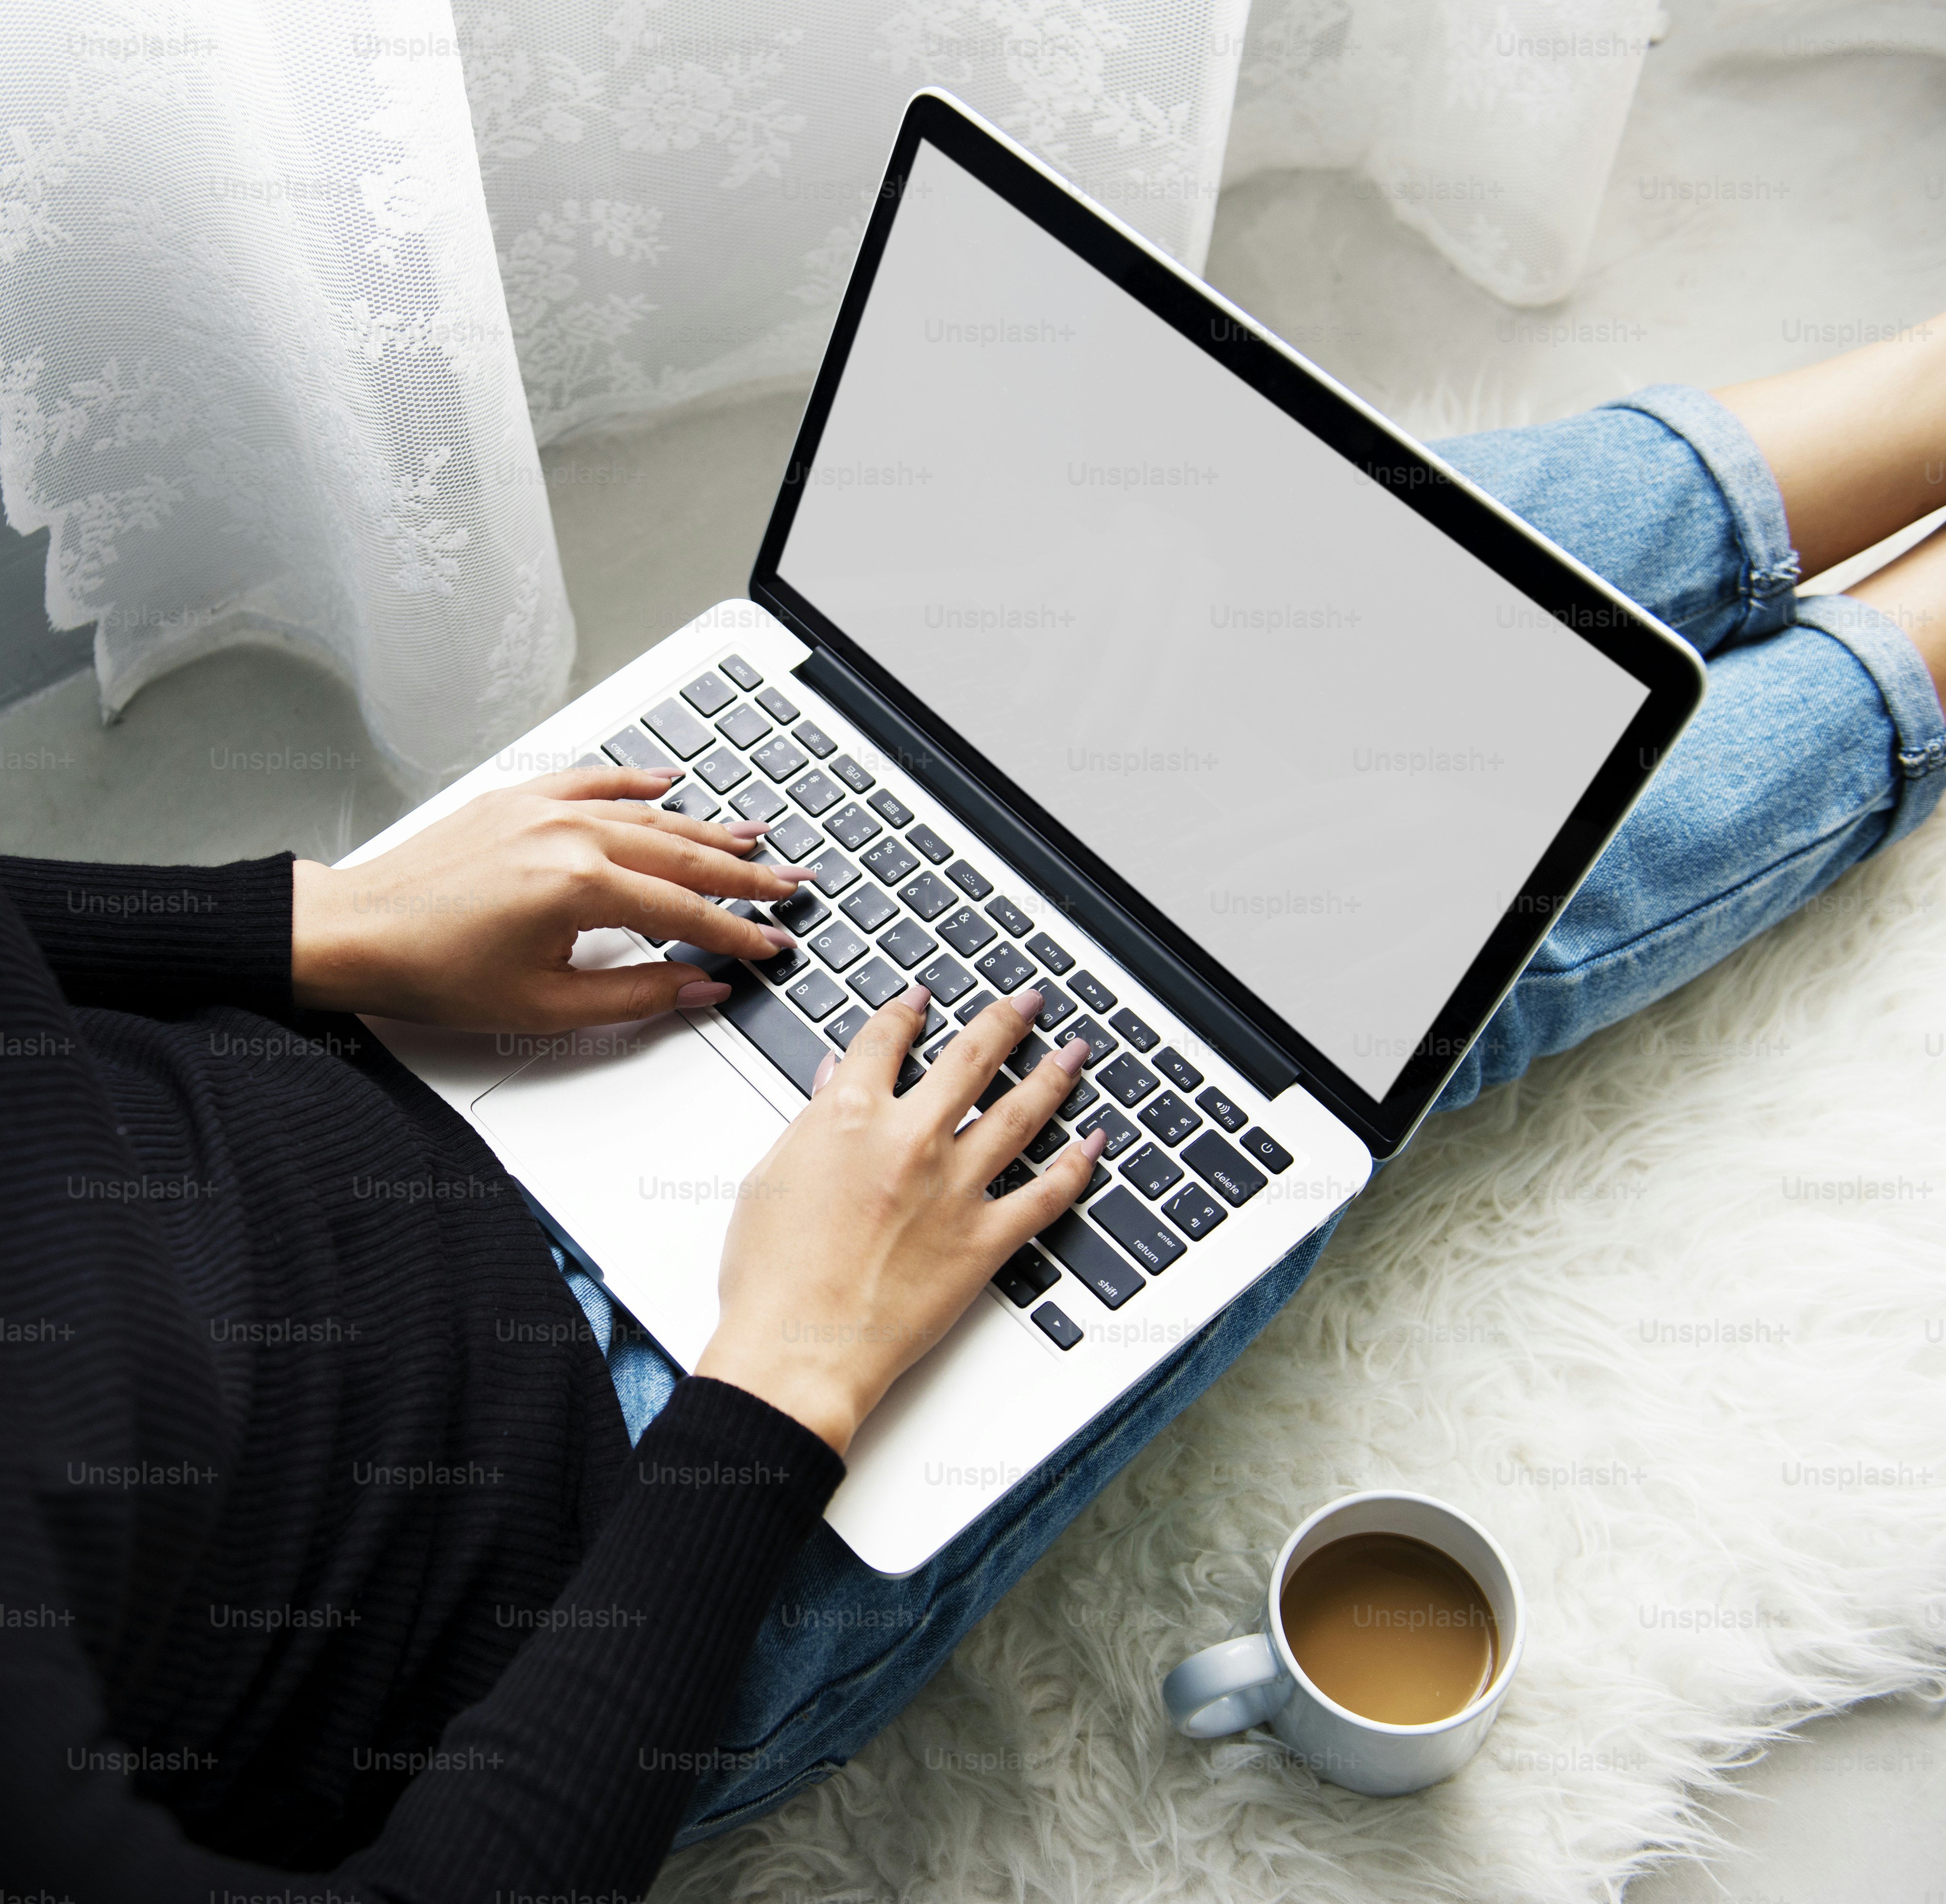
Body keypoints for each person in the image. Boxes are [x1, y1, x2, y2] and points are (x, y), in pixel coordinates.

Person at [3, 323, 1943, 1902]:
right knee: (1352, 975)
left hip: (395, 1049)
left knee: (1235, 646)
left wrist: (319, 919)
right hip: (623, 1531)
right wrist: (787, 1379)